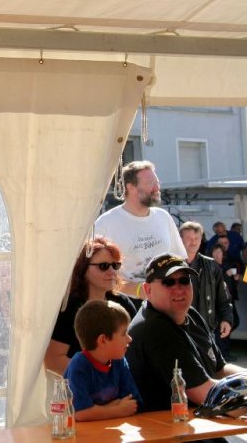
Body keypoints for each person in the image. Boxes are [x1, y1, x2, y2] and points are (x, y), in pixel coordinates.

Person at [126, 253, 246, 411]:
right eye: (169, 282)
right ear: (148, 290)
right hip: (166, 423)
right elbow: (207, 395)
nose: (179, 289)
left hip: (193, 419)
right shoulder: (155, 328)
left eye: (184, 280)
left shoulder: (189, 313)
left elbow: (220, 369)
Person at [44, 236, 136, 376]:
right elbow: (53, 361)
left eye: (115, 265)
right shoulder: (69, 307)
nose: (112, 271)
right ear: (83, 269)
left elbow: (135, 349)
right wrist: (99, 376)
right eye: (103, 266)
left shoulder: (122, 302)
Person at [94, 160, 186, 297]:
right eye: (150, 183)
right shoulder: (106, 223)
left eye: (157, 183)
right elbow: (95, 274)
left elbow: (179, 261)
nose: (157, 188)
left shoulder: (163, 217)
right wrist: (139, 291)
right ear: (131, 187)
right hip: (124, 303)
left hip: (165, 300)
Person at [64, 300, 141, 421]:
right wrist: (118, 410)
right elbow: (80, 413)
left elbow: (132, 403)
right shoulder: (79, 365)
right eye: (124, 333)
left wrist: (96, 410)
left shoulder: (119, 361)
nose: (129, 339)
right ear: (103, 340)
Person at [178, 222, 234, 356]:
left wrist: (226, 319)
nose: (193, 242)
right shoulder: (171, 265)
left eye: (196, 238)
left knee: (208, 365)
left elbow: (223, 297)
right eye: (189, 238)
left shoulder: (211, 265)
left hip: (205, 329)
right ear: (180, 239)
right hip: (177, 329)